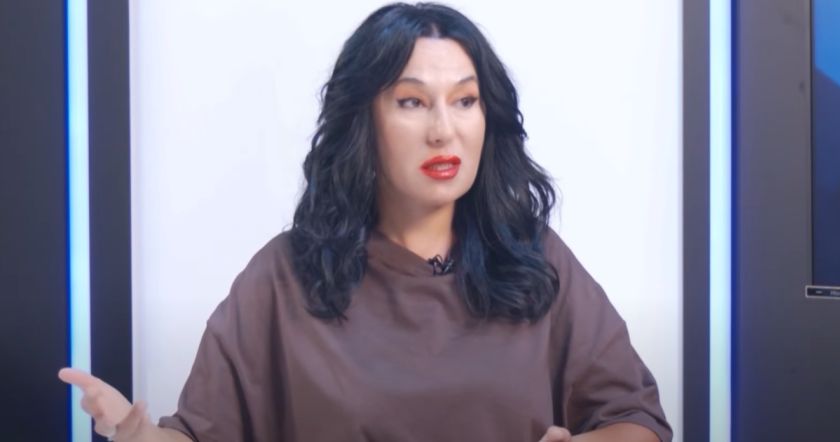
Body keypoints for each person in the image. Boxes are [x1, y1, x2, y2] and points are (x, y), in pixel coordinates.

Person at [59, 3, 672, 441]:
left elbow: (636, 419)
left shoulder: (535, 258)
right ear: (364, 121)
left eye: (465, 100)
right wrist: (138, 435)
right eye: (412, 102)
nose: (444, 129)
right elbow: (200, 434)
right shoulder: (285, 276)